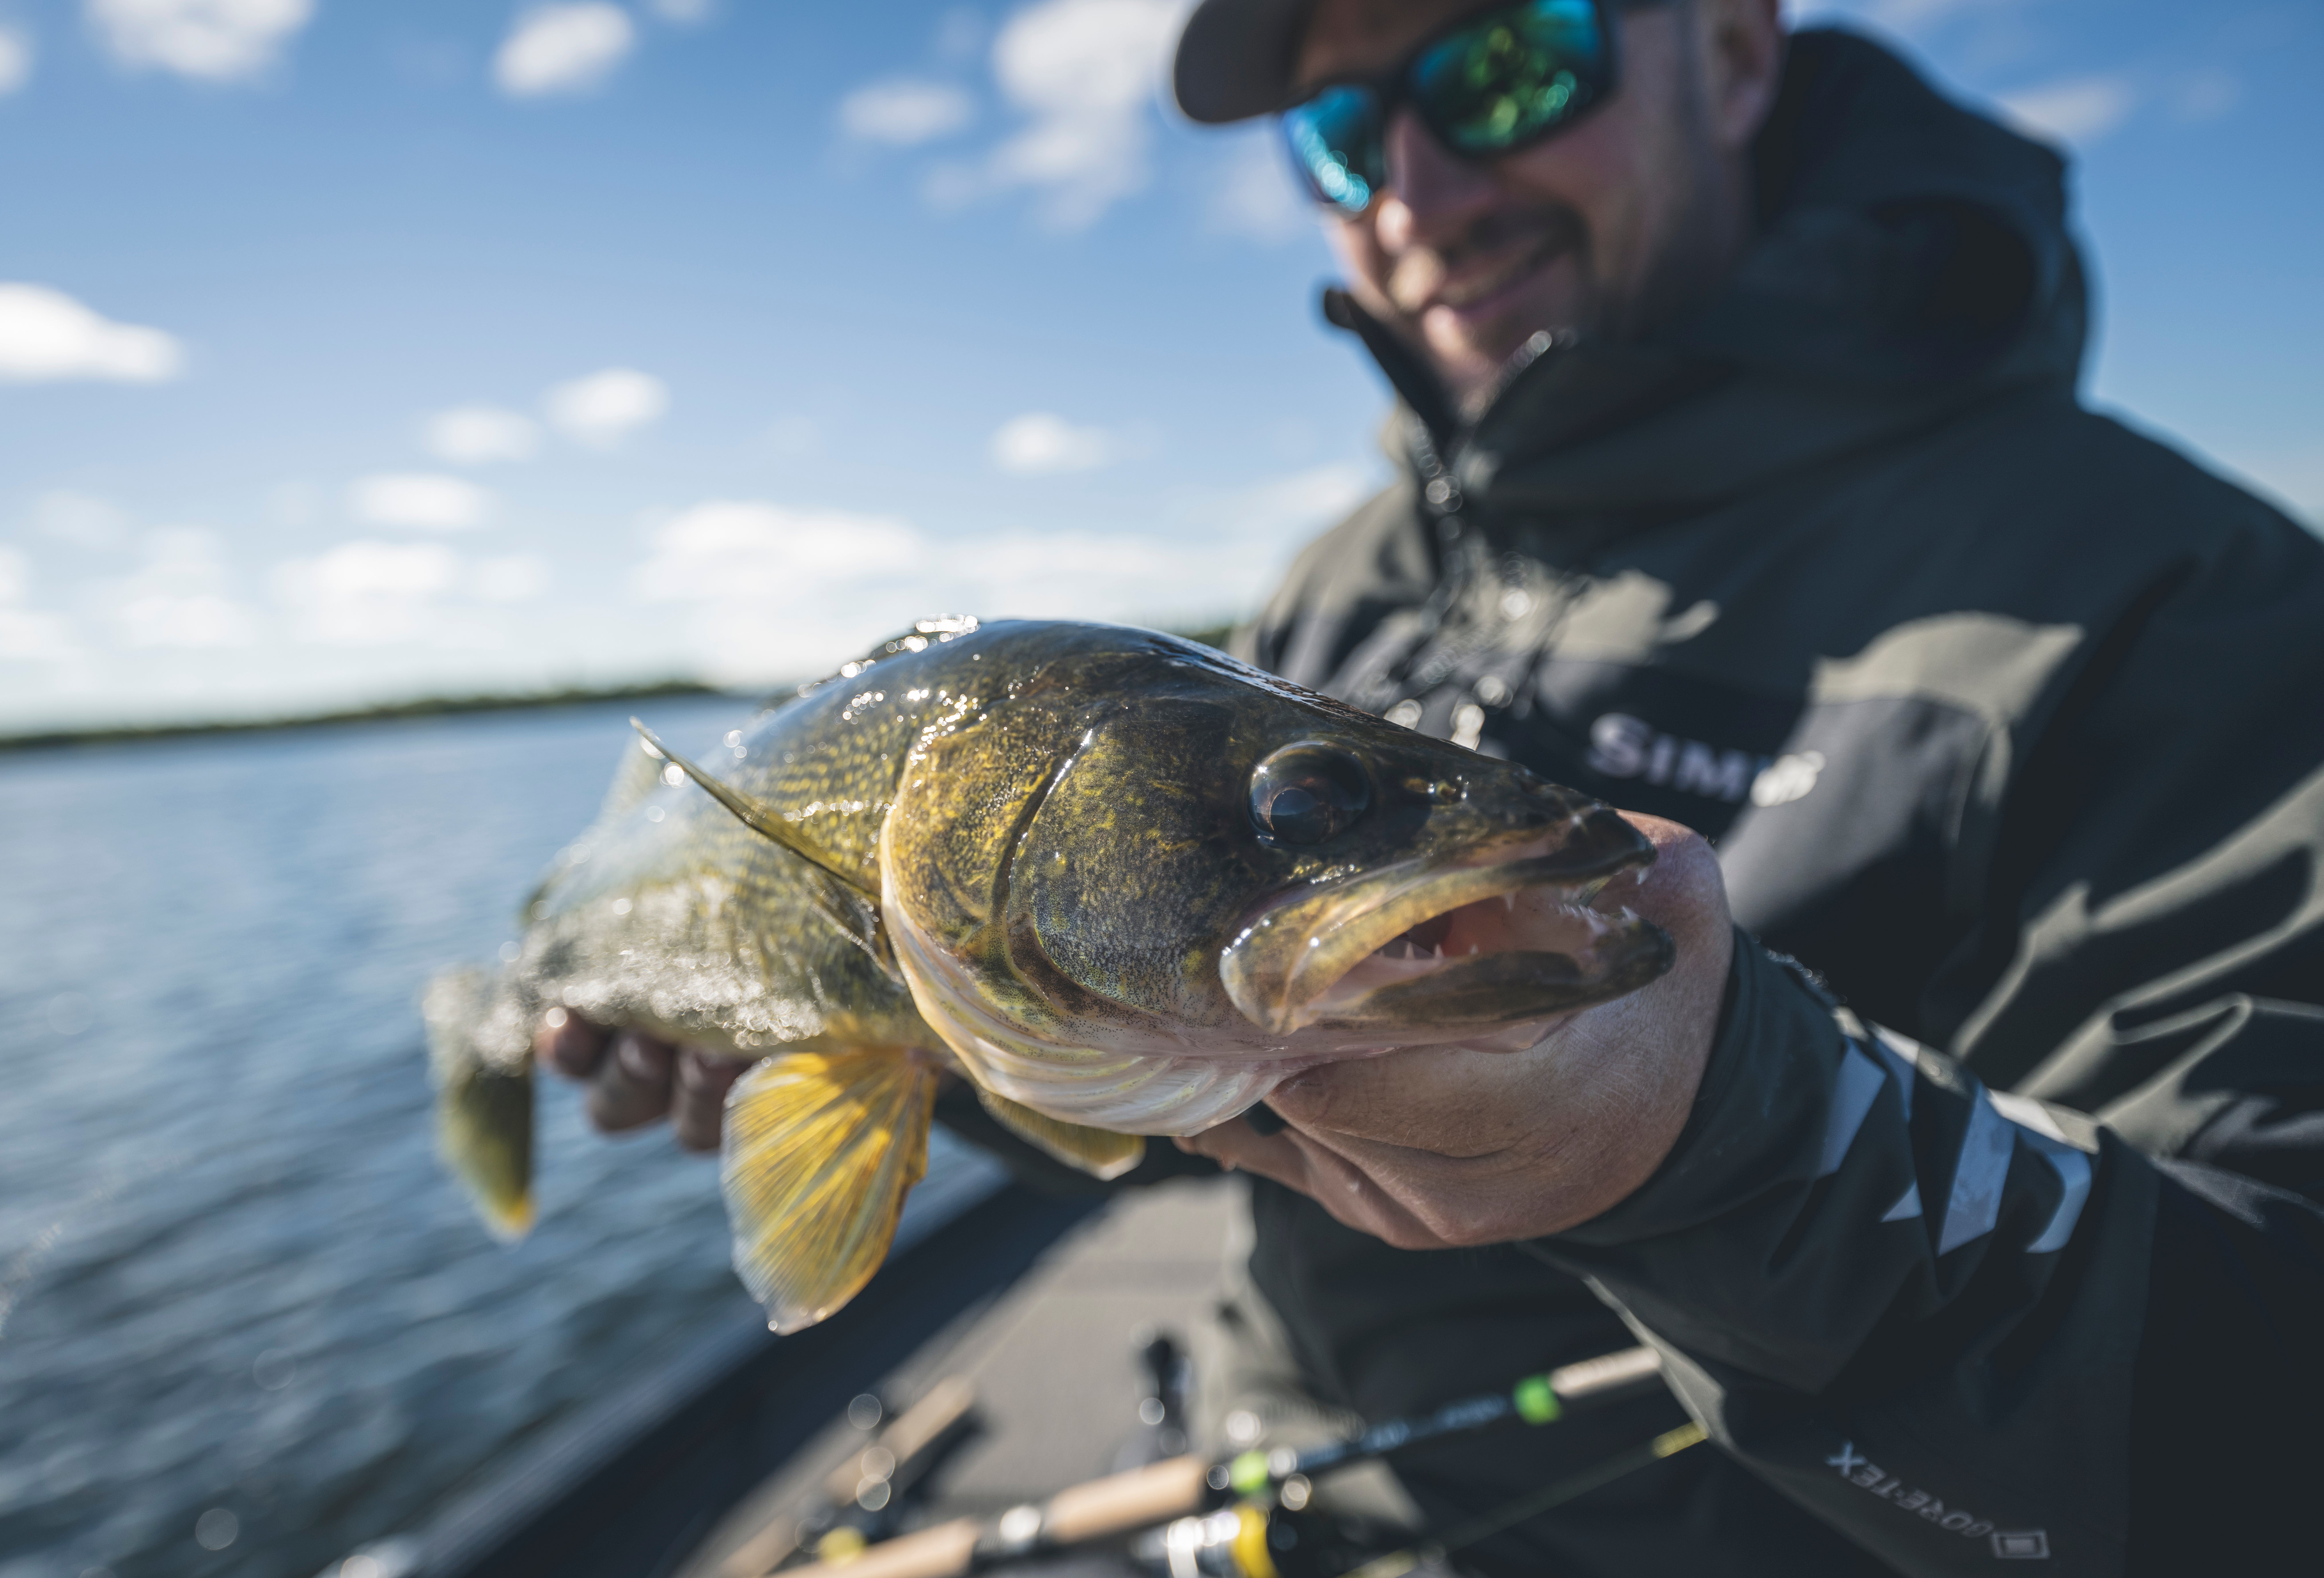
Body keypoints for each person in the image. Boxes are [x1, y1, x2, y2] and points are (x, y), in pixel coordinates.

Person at [540, 1, 2324, 1572]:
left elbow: (2269, 1451)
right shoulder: (1343, 583)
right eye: (1339, 128)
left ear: (1731, 43)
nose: (1416, 190)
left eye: (1504, 62)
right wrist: (905, 1053)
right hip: (1288, 1485)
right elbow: (1177, 1046)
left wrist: (1728, 1138)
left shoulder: (2189, 605)